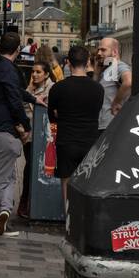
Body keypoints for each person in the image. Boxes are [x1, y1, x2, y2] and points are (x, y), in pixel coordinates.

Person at [0, 31, 33, 236]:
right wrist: (26, 125)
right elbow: (14, 99)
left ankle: (4, 211)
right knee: (1, 178)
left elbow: (16, 92)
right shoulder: (10, 71)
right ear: (18, 49)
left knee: (10, 176)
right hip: (3, 131)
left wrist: (33, 98)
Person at [48, 44, 104, 203]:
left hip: (66, 141)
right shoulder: (98, 89)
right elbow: (96, 112)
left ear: (68, 63)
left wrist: (61, 115)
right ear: (87, 62)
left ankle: (69, 223)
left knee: (66, 183)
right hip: (90, 142)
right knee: (86, 185)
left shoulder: (58, 88)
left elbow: (51, 116)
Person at [16, 61, 55, 221]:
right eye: (33, 72)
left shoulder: (52, 89)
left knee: (36, 169)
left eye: (38, 72)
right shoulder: (29, 89)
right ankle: (25, 203)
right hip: (29, 136)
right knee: (30, 167)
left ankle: (33, 203)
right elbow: (22, 109)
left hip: (44, 136)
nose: (34, 74)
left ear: (46, 74)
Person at [96, 37, 132, 131]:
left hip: (111, 125)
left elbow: (128, 81)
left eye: (103, 50)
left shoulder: (118, 65)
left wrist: (117, 102)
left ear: (114, 52)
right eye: (98, 50)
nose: (99, 53)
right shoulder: (109, 68)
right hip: (105, 124)